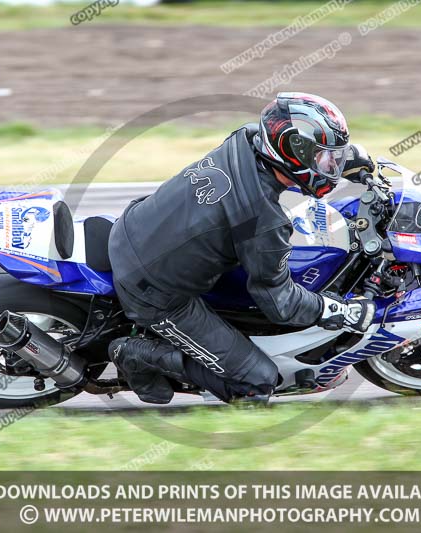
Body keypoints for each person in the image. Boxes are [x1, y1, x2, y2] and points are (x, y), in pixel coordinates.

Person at [107, 92, 376, 405]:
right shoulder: (264, 219)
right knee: (256, 382)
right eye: (323, 156)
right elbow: (281, 304)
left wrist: (344, 160)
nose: (330, 164)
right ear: (295, 154)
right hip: (154, 291)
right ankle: (135, 353)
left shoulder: (244, 140)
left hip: (136, 226)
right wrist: (336, 309)